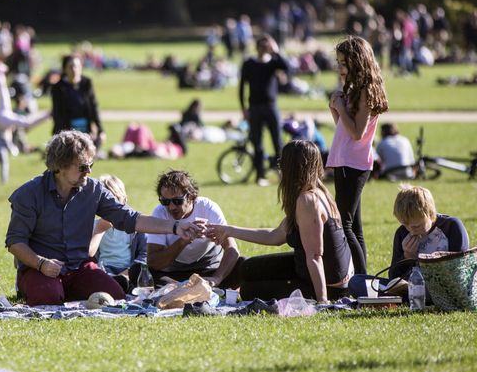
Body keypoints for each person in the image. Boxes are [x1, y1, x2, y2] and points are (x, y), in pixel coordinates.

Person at [5, 130, 204, 306]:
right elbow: (15, 242)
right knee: (47, 297)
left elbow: (130, 218)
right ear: (60, 166)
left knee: (114, 296)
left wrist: (175, 227)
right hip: (39, 268)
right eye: (83, 166)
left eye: (90, 165)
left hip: (79, 268)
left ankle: (62, 291)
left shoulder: (93, 190)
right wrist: (41, 263)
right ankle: (39, 288)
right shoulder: (29, 194)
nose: (89, 171)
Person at [208, 141, 354, 303]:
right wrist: (229, 230)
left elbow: (315, 256)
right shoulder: (318, 192)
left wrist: (322, 301)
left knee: (249, 290)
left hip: (329, 285)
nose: (279, 168)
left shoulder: (308, 201)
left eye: (281, 162)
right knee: (247, 268)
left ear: (291, 167)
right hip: (318, 272)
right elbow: (275, 236)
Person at [327, 36, 389, 274]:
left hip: (353, 164)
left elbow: (356, 133)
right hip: (346, 161)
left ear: (358, 62)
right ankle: (362, 277)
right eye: (338, 62)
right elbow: (344, 128)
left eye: (344, 63)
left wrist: (341, 108)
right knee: (354, 226)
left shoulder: (365, 92)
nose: (339, 68)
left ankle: (361, 279)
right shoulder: (355, 90)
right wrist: (336, 109)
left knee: (344, 225)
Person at [348, 185, 469, 298]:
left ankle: (412, 296)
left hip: (445, 288)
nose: (411, 229)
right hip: (410, 287)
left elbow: (460, 271)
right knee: (356, 282)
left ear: (430, 214)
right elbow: (393, 278)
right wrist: (407, 256)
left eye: (417, 225)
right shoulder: (402, 233)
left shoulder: (452, 226)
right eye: (405, 224)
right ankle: (413, 296)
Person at [147, 170, 244, 289]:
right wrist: (183, 241)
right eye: (165, 201)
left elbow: (232, 249)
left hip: (208, 268)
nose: (171, 207)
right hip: (173, 272)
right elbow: (153, 262)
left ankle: (184, 288)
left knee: (244, 264)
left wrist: (217, 278)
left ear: (191, 196)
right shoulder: (159, 212)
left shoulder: (207, 207)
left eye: (177, 201)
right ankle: (187, 288)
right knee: (138, 271)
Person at [0, 62, 50, 184]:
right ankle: (0, 72)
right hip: (3, 121)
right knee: (5, 96)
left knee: (4, 95)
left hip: (3, 119)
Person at [239, 34, 289, 186]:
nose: (263, 49)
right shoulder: (249, 63)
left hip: (271, 106)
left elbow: (286, 67)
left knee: (277, 142)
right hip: (254, 107)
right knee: (257, 143)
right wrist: (243, 108)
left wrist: (276, 51)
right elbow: (242, 87)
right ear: (257, 47)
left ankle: (282, 173)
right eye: (261, 46)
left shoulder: (273, 63)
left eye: (266, 46)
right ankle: (260, 175)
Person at [88, 175, 147, 293]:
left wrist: (128, 272)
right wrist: (99, 231)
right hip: (104, 270)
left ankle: (122, 284)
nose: (110, 208)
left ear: (124, 200)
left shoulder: (134, 225)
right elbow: (87, 254)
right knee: (92, 275)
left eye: (115, 200)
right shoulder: (94, 226)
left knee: (141, 271)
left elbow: (144, 254)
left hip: (129, 269)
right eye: (103, 203)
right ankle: (114, 284)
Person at [50, 54, 105, 150]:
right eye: (71, 67)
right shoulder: (58, 88)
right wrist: (65, 136)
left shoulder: (86, 83)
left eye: (77, 66)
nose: (74, 69)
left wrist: (101, 131)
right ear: (65, 69)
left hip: (86, 130)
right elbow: (57, 114)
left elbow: (94, 107)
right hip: (66, 131)